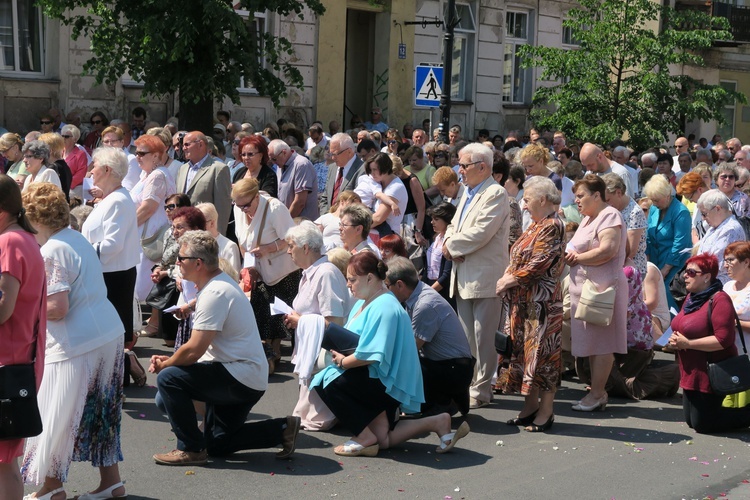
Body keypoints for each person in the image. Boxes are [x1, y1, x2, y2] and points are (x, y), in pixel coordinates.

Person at [149, 230, 301, 465]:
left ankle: (190, 449)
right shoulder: (216, 285)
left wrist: (167, 363)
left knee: (169, 379)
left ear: (198, 263)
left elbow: (194, 350)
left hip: (239, 376)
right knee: (217, 444)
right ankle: (281, 429)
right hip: (243, 375)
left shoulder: (215, 292)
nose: (176, 263)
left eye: (181, 258)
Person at [21, 183, 127, 500]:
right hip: (107, 334)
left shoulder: (52, 249)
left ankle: (52, 488)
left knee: (56, 415)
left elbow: (57, 307)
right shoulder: (75, 239)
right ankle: (112, 483)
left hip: (76, 343)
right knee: (102, 414)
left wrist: (23, 307)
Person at [311, 252, 470, 457]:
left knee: (328, 381)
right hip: (374, 375)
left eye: (352, 280)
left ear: (369, 278)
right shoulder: (365, 301)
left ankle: (363, 437)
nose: (348, 285)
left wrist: (342, 362)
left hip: (385, 381)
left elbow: (371, 355)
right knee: (383, 440)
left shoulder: (385, 305)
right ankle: (438, 421)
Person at [443, 143, 509, 409]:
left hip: (484, 276)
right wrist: (448, 242)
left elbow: (482, 232)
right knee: (468, 338)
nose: (459, 171)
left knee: (483, 337)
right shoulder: (469, 192)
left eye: (464, 165)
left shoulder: (495, 193)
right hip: (464, 274)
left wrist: (451, 246)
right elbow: (452, 225)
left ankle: (482, 389)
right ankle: (470, 384)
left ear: (482, 167)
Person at [496, 177, 565, 432]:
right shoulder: (537, 225)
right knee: (527, 356)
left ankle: (546, 412)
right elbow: (518, 256)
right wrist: (508, 274)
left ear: (543, 200)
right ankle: (530, 407)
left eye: (527, 200)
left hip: (542, 304)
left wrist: (509, 280)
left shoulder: (552, 225)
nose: (523, 206)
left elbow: (539, 263)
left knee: (544, 357)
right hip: (525, 303)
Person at [0, 175, 46, 500]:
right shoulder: (22, 237)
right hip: (17, 357)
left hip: (9, 360)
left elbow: (4, 308)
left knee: (4, 461)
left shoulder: (9, 242)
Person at [565, 174, 627, 412]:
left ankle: (598, 393)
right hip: (586, 292)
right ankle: (595, 391)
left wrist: (577, 258)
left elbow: (608, 249)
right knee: (592, 343)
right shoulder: (588, 219)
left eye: (581, 196)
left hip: (603, 291)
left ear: (597, 195)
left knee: (601, 344)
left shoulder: (609, 215)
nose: (577, 201)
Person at [669, 253, 750, 433]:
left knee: (703, 425)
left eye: (691, 272)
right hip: (691, 370)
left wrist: (688, 343)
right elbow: (682, 324)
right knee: (692, 421)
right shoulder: (691, 298)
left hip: (710, 371)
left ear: (706, 277)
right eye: (685, 271)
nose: (684, 276)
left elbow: (723, 340)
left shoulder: (719, 299)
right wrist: (675, 338)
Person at [282, 222, 350, 431]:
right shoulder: (311, 271)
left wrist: (300, 321)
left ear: (305, 248)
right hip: (311, 348)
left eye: (291, 246)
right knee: (304, 415)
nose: (287, 251)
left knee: (316, 419)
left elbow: (335, 323)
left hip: (324, 353)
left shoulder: (326, 273)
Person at [386, 256, 474, 416]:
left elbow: (410, 350)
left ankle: (444, 400)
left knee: (401, 363)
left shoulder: (424, 304)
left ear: (399, 284)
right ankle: (447, 398)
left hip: (454, 370)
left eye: (387, 286)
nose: (386, 291)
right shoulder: (417, 295)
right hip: (449, 364)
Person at [81, 148, 140, 385]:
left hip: (113, 276)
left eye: (94, 166)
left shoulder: (118, 201)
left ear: (106, 170)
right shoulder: (112, 199)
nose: (91, 170)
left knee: (110, 332)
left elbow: (112, 244)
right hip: (107, 273)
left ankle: (114, 383)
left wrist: (83, 253)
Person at [233, 177, 301, 367]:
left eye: (246, 205)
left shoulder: (275, 208)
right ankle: (267, 356)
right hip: (259, 272)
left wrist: (268, 248)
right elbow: (242, 240)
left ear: (256, 197)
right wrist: (249, 266)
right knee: (262, 316)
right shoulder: (239, 208)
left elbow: (291, 238)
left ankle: (275, 355)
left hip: (283, 272)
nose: (242, 210)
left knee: (280, 317)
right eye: (238, 206)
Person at [131, 135, 172, 301]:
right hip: (143, 234)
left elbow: (148, 208)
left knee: (142, 286)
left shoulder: (157, 176)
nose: (137, 156)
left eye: (142, 153)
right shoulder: (146, 174)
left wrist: (127, 226)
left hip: (150, 237)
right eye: (136, 152)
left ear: (156, 155)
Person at [643, 174, 692, 312]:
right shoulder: (654, 208)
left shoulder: (681, 212)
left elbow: (680, 244)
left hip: (675, 264)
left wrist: (665, 269)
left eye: (657, 200)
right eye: (652, 200)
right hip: (655, 261)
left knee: (668, 296)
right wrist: (647, 262)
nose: (655, 203)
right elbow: (648, 234)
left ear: (667, 195)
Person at [175, 132, 232, 235]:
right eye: (183, 145)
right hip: (183, 233)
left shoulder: (218, 169)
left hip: (205, 233)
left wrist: (218, 237)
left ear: (200, 144)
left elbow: (223, 208)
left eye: (187, 144)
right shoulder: (182, 169)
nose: (183, 148)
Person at [695, 189, 745, 284]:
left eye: (704, 214)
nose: (703, 218)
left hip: (721, 287)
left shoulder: (730, 229)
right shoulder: (715, 226)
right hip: (707, 283)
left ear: (717, 208)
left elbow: (715, 264)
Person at [603, 173, 647, 276]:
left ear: (618, 193)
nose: (606, 204)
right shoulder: (612, 209)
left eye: (608, 200)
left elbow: (631, 251)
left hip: (631, 270)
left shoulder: (634, 212)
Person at [424, 202, 457, 309]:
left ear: (447, 220)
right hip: (431, 286)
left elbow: (446, 276)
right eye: (432, 218)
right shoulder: (437, 238)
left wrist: (428, 293)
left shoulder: (451, 241)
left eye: (436, 219)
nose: (432, 222)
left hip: (444, 293)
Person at [367, 153, 408, 237]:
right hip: (374, 233)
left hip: (386, 236)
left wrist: (355, 226)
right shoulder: (379, 182)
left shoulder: (395, 188)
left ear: (385, 168)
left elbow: (378, 218)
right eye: (371, 170)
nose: (372, 173)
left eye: (375, 169)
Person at [196, 203, 241, 275]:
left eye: (201, 224)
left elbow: (234, 277)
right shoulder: (193, 244)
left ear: (212, 223)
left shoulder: (229, 247)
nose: (197, 228)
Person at [723, 242, 750, 350]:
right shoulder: (727, 287)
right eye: (725, 261)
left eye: (730, 260)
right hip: (727, 356)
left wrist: (735, 323)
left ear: (746, 262)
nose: (725, 265)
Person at [61, 125, 89, 198]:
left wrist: (66, 184)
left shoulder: (80, 154)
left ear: (75, 139)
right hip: (58, 188)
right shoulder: (59, 152)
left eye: (66, 136)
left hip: (73, 190)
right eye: (62, 136)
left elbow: (81, 173)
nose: (63, 138)